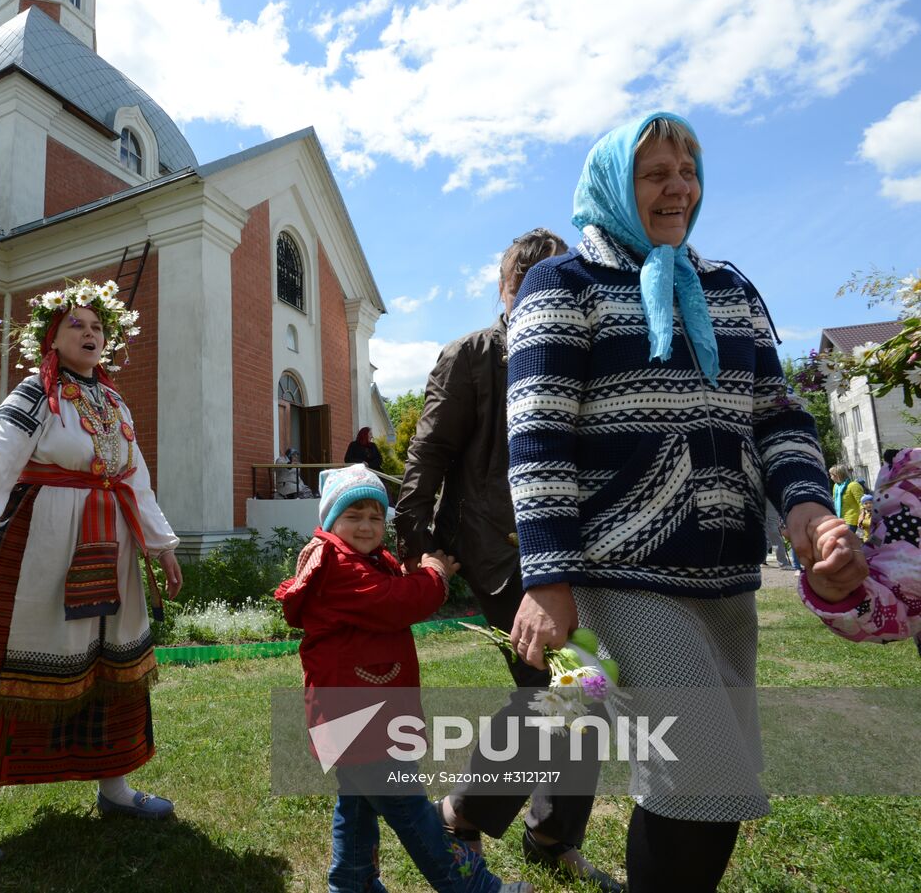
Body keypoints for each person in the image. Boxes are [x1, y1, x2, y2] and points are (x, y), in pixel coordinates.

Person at [504, 112, 866, 891]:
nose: (679, 187)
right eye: (655, 172)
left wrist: (807, 508)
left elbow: (777, 412)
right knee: (698, 766)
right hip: (618, 571)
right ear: (613, 187)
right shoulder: (561, 284)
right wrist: (548, 575)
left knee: (720, 780)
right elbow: (537, 435)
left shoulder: (730, 286)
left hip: (723, 572)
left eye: (689, 169)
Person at [0, 279, 185, 869]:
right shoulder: (36, 395)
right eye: (76, 325)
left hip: (110, 548)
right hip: (39, 545)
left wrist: (160, 546)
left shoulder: (115, 405)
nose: (90, 333)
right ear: (50, 340)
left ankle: (114, 787)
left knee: (115, 666)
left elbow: (135, 480)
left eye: (98, 327)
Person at [395, 228, 620, 892]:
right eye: (529, 279)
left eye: (559, 278)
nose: (544, 291)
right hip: (499, 550)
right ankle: (465, 813)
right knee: (570, 686)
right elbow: (428, 452)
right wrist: (415, 546)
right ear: (506, 286)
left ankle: (549, 834)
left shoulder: (581, 353)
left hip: (573, 550)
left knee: (581, 691)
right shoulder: (470, 355)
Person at [274, 464, 530, 893]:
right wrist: (434, 575)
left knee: (355, 805)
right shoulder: (338, 567)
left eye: (376, 516)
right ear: (331, 520)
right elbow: (396, 602)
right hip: (359, 718)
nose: (367, 525)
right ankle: (472, 887)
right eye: (354, 515)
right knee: (411, 810)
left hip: (351, 718)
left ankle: (350, 883)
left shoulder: (363, 560)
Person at [802, 448, 921, 641]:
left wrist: (861, 514)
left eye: (833, 474)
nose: (831, 477)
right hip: (846, 520)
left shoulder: (853, 486)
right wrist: (840, 586)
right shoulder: (912, 479)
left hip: (852, 518)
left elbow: (861, 502)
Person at [829, 465, 866, 533]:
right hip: (839, 518)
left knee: (845, 541)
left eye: (832, 475)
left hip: (851, 520)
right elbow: (834, 501)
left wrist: (862, 515)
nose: (831, 478)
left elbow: (863, 502)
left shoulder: (853, 485)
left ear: (838, 475)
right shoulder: (836, 486)